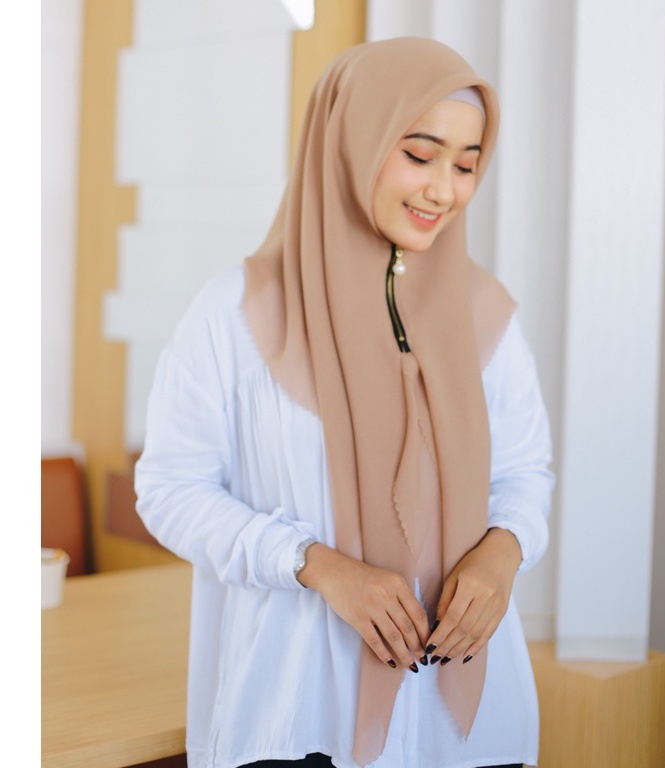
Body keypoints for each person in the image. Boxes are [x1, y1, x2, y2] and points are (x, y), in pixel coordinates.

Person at [135, 37, 553, 768]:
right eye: (419, 155)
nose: (444, 190)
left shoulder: (485, 315)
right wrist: (315, 564)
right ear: (351, 140)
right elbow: (170, 489)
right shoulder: (236, 313)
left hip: (462, 728)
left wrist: (502, 553)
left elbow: (525, 474)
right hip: (298, 717)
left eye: (466, 164)